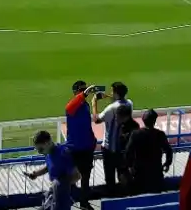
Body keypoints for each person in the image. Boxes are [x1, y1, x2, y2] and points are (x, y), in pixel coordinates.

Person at [24, 131, 80, 210]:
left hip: (63, 195)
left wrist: (61, 184)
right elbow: (49, 167)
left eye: (40, 149)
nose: (40, 152)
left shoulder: (63, 154)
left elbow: (77, 176)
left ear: (48, 143)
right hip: (53, 192)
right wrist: (36, 173)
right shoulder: (48, 152)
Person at [93, 81, 132, 194]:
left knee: (110, 176)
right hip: (122, 146)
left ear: (115, 93)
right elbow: (121, 101)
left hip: (109, 147)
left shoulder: (111, 108)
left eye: (112, 91)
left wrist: (94, 102)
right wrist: (111, 97)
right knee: (122, 172)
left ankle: (112, 198)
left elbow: (96, 120)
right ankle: (125, 195)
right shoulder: (129, 103)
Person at [125, 109, 173, 195]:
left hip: (139, 172)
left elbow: (129, 151)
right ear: (154, 121)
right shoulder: (160, 134)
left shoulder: (135, 134)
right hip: (156, 172)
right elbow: (168, 150)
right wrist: (167, 163)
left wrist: (130, 166)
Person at [64, 81, 96, 209]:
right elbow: (69, 107)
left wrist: (93, 140)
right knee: (71, 177)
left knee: (85, 177)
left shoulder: (85, 105)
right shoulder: (72, 106)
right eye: (82, 90)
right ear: (76, 92)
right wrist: (86, 93)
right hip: (75, 148)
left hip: (86, 147)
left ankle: (84, 202)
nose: (84, 92)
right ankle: (67, 199)